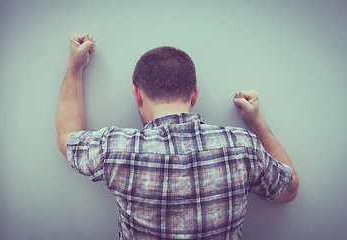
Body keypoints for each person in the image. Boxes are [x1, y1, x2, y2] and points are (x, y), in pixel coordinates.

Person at [56, 34, 299, 240]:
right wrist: (255, 121)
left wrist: (75, 66)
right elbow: (288, 191)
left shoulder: (115, 149)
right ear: (194, 95)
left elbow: (68, 134)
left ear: (137, 95)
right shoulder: (242, 146)